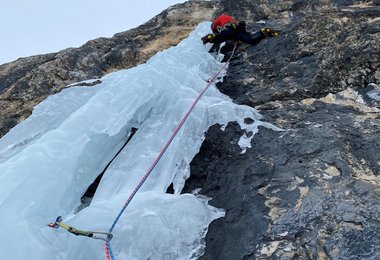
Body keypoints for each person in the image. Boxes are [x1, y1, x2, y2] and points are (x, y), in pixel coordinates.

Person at [202, 14, 279, 46]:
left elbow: (214, 28)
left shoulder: (218, 20)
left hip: (229, 29)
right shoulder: (229, 17)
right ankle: (263, 31)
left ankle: (210, 37)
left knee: (219, 38)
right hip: (237, 27)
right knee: (250, 39)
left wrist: (214, 35)